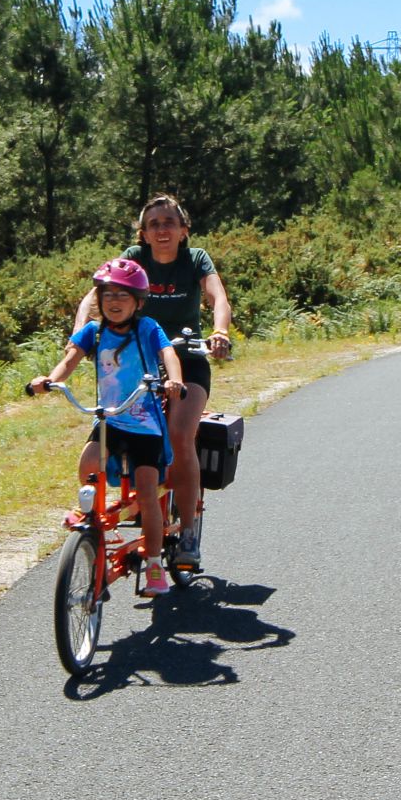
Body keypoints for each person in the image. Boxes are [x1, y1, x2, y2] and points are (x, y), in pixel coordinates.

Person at [74, 194, 232, 574]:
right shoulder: (133, 258)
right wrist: (80, 331)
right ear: (143, 233)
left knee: (180, 434)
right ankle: (122, 512)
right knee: (107, 436)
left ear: (183, 230)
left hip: (186, 362)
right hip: (136, 366)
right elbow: (94, 298)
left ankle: (189, 532)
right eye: (154, 224)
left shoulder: (195, 260)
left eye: (169, 223)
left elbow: (217, 296)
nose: (162, 230)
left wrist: (219, 331)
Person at [32, 258, 186, 598]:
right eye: (108, 294)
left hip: (145, 423)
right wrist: (50, 381)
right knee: (88, 463)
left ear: (139, 302)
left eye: (123, 295)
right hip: (110, 419)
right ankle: (91, 518)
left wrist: (174, 380)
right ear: (99, 299)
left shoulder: (147, 328)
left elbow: (168, 353)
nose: (114, 302)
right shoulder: (94, 332)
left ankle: (155, 562)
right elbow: (70, 359)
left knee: (147, 493)